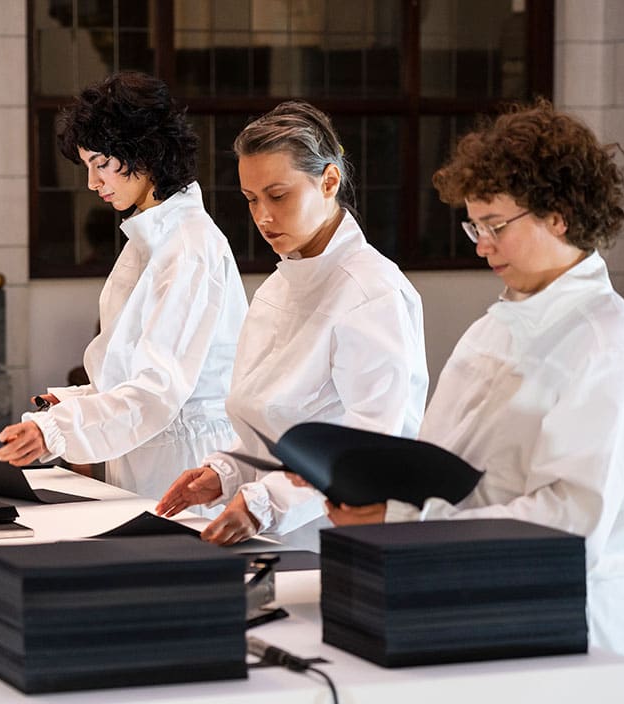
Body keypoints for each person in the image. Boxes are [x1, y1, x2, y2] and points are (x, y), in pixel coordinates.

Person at [324, 100, 624, 704]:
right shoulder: (498, 323)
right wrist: (385, 495)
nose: (481, 243)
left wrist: (408, 523)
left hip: (563, 623)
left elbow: (573, 520)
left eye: (495, 224)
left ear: (559, 214)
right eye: (472, 224)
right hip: (471, 597)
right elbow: (447, 464)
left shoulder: (606, 341)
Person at [156, 101, 428, 546]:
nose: (263, 216)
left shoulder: (371, 292)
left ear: (329, 181)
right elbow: (266, 428)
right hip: (269, 529)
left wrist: (266, 503)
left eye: (278, 196)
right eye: (250, 200)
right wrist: (224, 473)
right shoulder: (279, 285)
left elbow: (369, 444)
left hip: (330, 532)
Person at [0, 72, 248, 501]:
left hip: (186, 462)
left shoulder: (189, 245)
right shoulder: (149, 238)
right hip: (145, 451)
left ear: (143, 152)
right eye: (88, 166)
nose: (93, 183)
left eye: (101, 164)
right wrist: (72, 404)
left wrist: (58, 429)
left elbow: (159, 388)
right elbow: (130, 370)